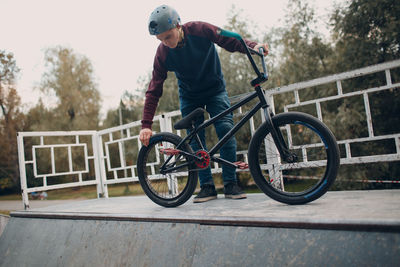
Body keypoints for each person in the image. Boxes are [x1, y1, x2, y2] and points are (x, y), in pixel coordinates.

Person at [139, 5, 269, 203]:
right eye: (161, 40)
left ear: (178, 25)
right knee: (195, 140)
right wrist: (146, 125)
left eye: (168, 36)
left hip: (215, 90)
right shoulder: (162, 54)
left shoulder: (200, 30)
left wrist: (253, 46)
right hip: (190, 96)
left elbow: (228, 39)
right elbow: (154, 88)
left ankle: (230, 183)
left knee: (225, 130)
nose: (166, 43)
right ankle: (207, 187)